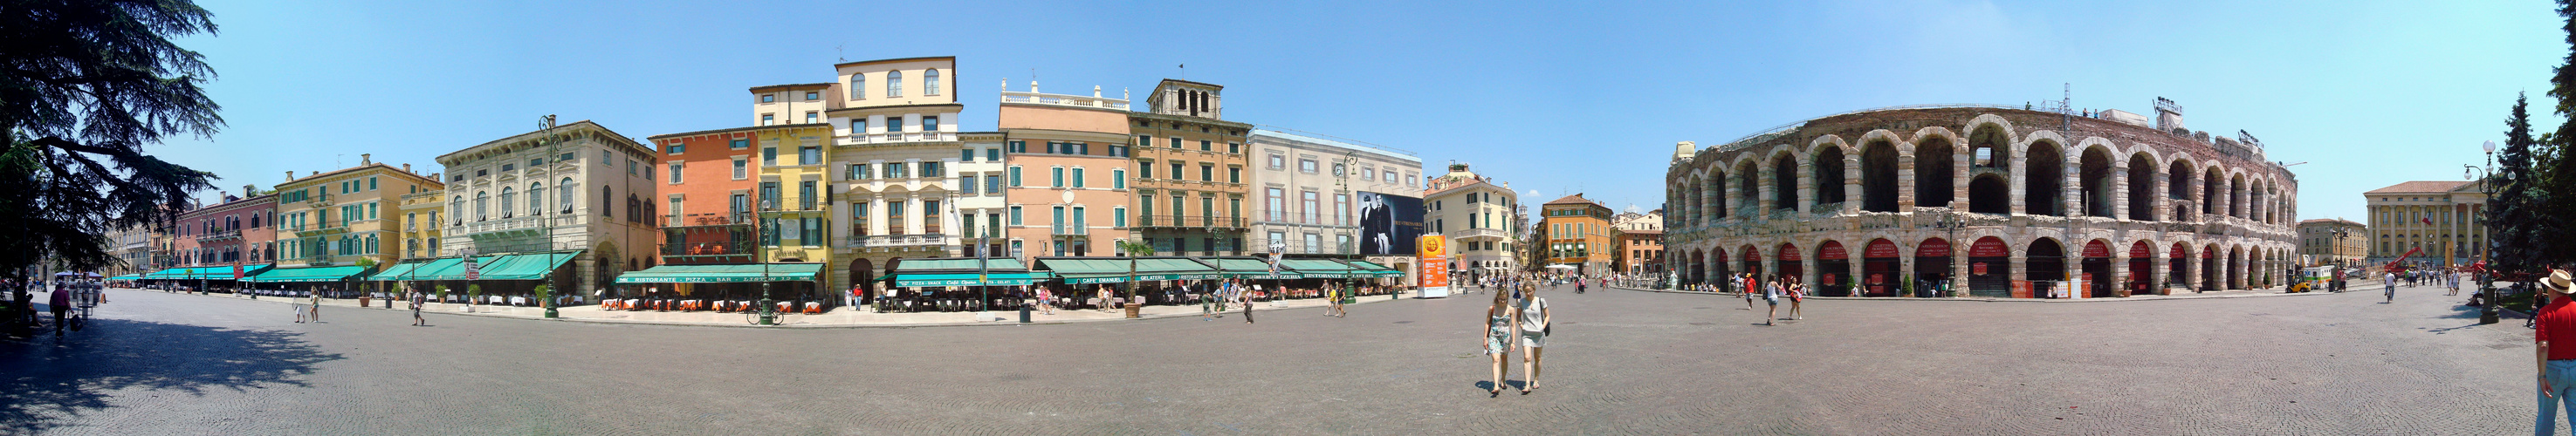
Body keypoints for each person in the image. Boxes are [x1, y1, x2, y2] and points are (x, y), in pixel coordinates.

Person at [2533, 269, 2576, 433]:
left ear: (2551, 290)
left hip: (2553, 371)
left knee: (2546, 417)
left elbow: (2543, 346)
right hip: (2575, 367)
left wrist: (2542, 375)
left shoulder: (2546, 313)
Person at [1515, 280, 1549, 395]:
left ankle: (1536, 379)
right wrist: (1521, 326)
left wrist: (1543, 327)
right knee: (1527, 358)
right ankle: (1527, 384)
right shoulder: (1521, 302)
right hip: (1526, 334)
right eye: (1526, 292)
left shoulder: (1540, 301)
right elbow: (1518, 317)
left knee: (1538, 358)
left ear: (1534, 290)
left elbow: (1547, 316)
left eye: (1530, 291)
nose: (1528, 294)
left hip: (1538, 333)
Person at [1484, 285, 1515, 396]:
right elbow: (1487, 323)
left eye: (1505, 299)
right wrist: (1485, 339)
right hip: (1494, 337)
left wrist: (1514, 341)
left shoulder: (1511, 309)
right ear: (1497, 298)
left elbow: (1513, 326)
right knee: (1496, 359)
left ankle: (1503, 379)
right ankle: (1496, 385)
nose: (1502, 301)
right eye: (1501, 299)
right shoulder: (1492, 308)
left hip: (1506, 338)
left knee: (1504, 358)